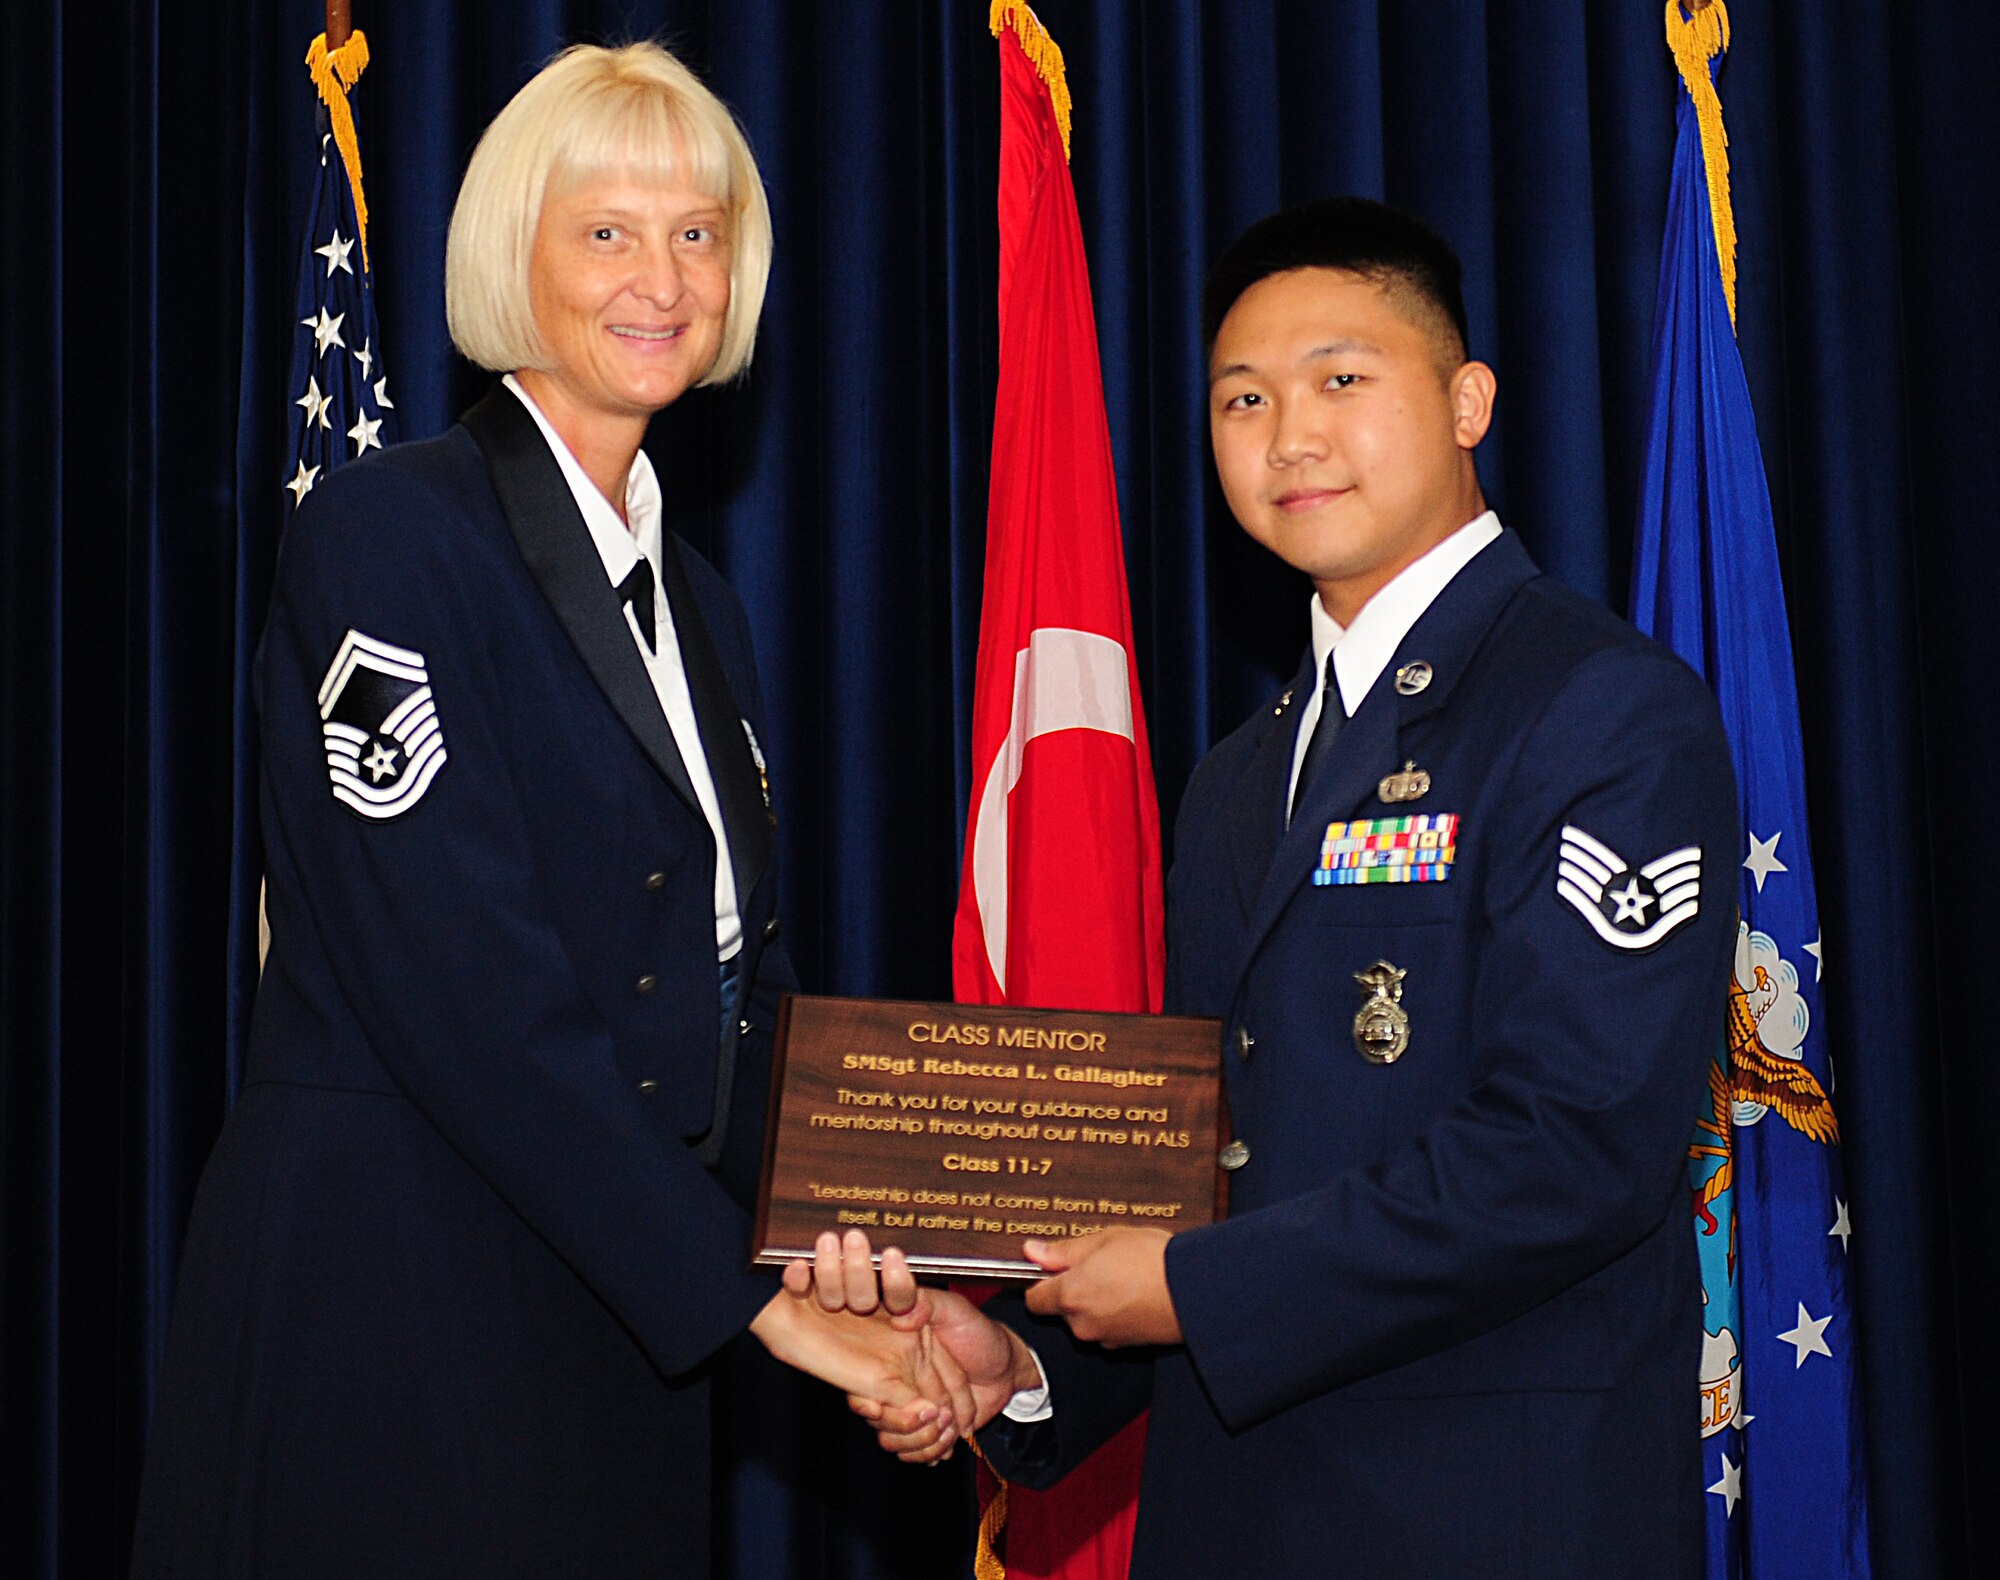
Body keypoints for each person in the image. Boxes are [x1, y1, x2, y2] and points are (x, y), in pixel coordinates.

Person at [811, 197, 1739, 1577]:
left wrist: (1188, 1289)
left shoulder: (1599, 709)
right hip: (1237, 1512)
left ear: (1469, 398)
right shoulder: (1241, 777)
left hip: (1495, 1520)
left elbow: (1576, 1147)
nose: (1290, 434)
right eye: (1243, 398)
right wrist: (1026, 1364)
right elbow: (1221, 1172)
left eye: (1342, 381)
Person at [131, 43, 951, 1579]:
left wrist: (895, 1252)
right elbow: (467, 981)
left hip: (613, 1311)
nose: (662, 276)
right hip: (400, 1308)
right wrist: (760, 1303)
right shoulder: (392, 531)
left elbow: (729, 998)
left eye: (697, 234)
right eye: (608, 231)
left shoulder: (698, 602)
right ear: (518, 255)